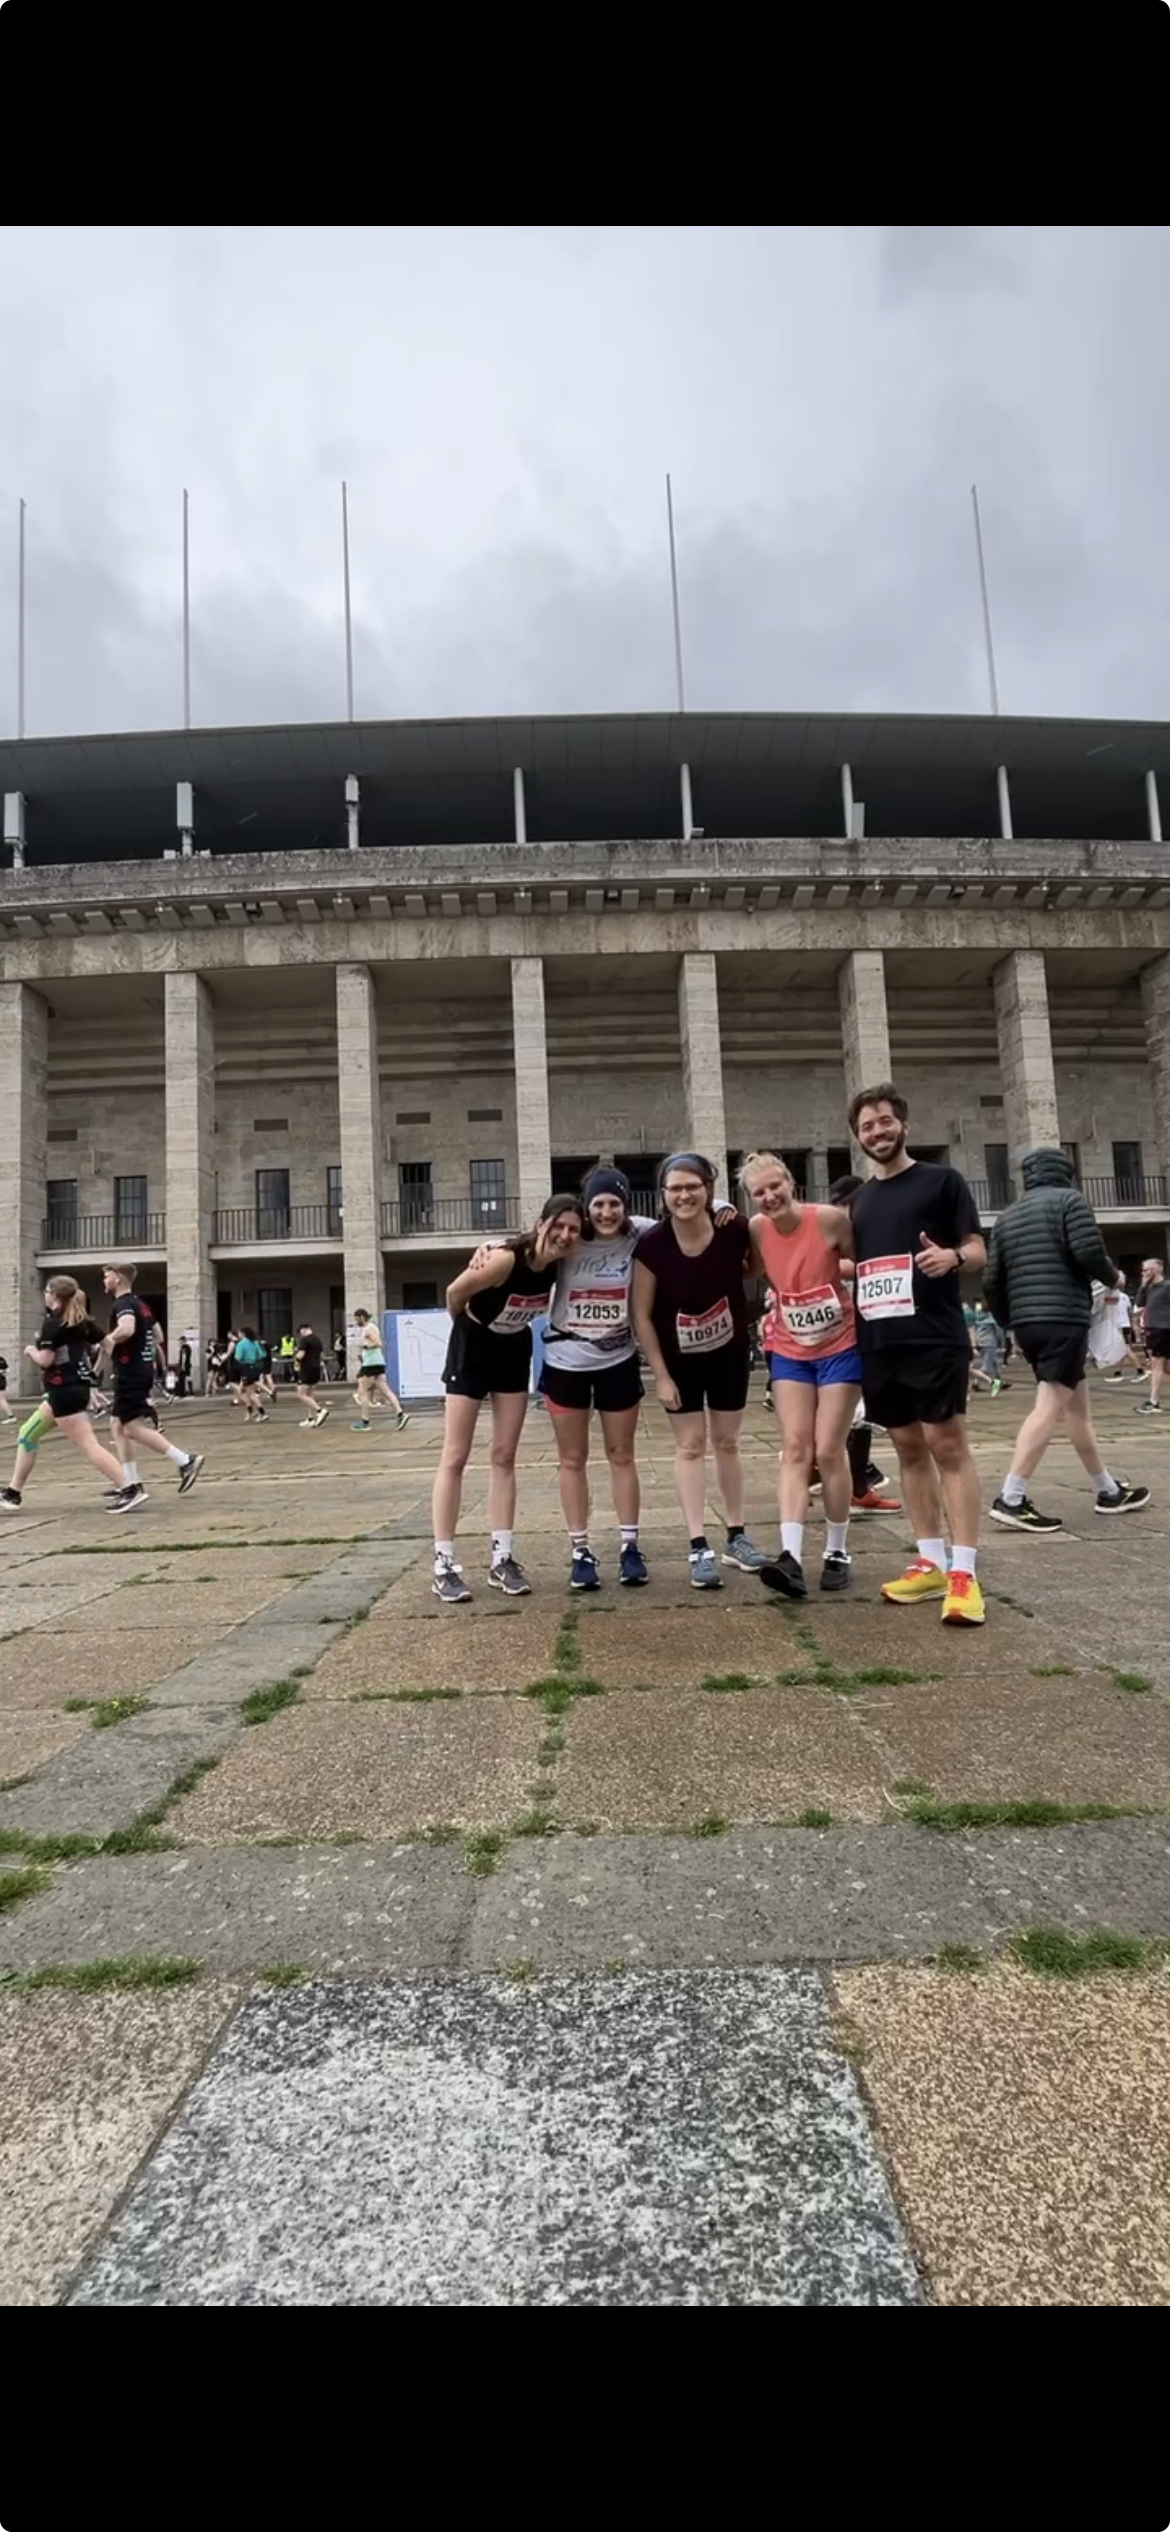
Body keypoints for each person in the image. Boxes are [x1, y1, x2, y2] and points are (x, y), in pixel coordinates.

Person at [847, 1084, 987, 1624]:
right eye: (867, 1127)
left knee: (947, 1445)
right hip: (880, 1340)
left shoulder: (941, 1181)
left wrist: (952, 1257)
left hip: (933, 1334)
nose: (877, 1132)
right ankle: (930, 1561)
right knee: (907, 1448)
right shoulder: (859, 1200)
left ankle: (964, 1573)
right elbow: (856, 1262)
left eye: (885, 1122)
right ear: (858, 1137)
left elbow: (976, 1249)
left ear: (903, 1125)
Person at [983, 1148, 1149, 1532]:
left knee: (1077, 1410)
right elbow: (1088, 1250)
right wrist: (1113, 1278)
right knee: (1050, 1405)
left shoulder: (1008, 1217)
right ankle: (1011, 1496)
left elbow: (992, 1280)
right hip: (1063, 1317)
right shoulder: (1070, 1201)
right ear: (1066, 1175)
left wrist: (1012, 1320)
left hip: (1027, 1322)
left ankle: (1108, 1490)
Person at [431, 1194, 586, 1602]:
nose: (566, 1235)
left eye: (574, 1229)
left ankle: (502, 1557)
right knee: (456, 1454)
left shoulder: (560, 1265)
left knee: (504, 1454)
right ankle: (444, 1561)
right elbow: (454, 1293)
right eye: (560, 1226)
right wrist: (466, 1331)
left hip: (514, 1348)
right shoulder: (503, 1260)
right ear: (542, 1224)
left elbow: (619, 1232)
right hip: (472, 1342)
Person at [631, 1153, 765, 1589]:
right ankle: (697, 1545)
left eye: (693, 1186)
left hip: (728, 1354)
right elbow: (642, 1315)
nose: (684, 1195)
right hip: (678, 1361)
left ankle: (737, 1536)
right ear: (664, 1195)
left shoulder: (735, 1230)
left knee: (726, 1442)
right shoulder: (651, 1246)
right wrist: (661, 1376)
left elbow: (757, 1267)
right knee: (690, 1446)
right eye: (675, 1188)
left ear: (708, 1188)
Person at [741, 1152, 861, 1598]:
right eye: (759, 1193)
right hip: (791, 1348)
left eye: (776, 1186)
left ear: (791, 1183)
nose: (770, 1197)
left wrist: (836, 1273)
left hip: (840, 1346)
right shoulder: (757, 1229)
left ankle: (836, 1549)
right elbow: (751, 1266)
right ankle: (790, 1555)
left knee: (829, 1449)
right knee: (795, 1447)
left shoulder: (829, 1220)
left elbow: (863, 1261)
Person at [536, 1168, 653, 1589]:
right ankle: (580, 1550)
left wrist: (725, 1207)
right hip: (566, 1362)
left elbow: (686, 1214)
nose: (605, 1212)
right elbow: (522, 1244)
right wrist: (486, 1250)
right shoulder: (569, 1235)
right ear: (588, 1207)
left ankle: (630, 1546)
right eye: (598, 1204)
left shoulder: (639, 1234)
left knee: (622, 1454)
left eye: (614, 1204)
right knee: (572, 1459)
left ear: (625, 1207)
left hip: (617, 1361)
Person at [9, 1279, 129, 1504]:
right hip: (70, 1390)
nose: (44, 1295)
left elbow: (46, 1360)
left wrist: (30, 1351)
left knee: (89, 1444)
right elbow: (108, 1344)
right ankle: (13, 1492)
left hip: (64, 1390)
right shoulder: (81, 1321)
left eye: (46, 1291)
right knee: (27, 1434)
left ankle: (129, 1486)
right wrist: (95, 1374)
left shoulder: (53, 1323)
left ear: (54, 1295)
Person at [825, 1171, 901, 1513]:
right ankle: (844, 1479)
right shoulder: (831, 1229)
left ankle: (859, 1483)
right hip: (838, 1332)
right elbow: (828, 1267)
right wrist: (867, 1267)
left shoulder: (867, 1230)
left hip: (869, 1327)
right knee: (848, 1414)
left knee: (864, 1414)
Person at [99, 1267, 205, 1512]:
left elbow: (127, 1329)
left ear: (118, 1277)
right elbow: (157, 1334)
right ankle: (130, 1483)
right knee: (117, 1425)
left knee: (132, 1428)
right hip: (140, 1368)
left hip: (130, 1372)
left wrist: (107, 1341)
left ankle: (184, 1460)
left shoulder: (123, 1304)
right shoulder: (141, 1304)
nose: (104, 1281)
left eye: (106, 1276)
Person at [351, 1309, 409, 1432]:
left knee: (362, 1391)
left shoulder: (369, 1328)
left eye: (356, 1318)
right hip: (377, 1362)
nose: (356, 1321)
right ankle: (400, 1414)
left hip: (371, 1364)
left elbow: (378, 1343)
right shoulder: (371, 1327)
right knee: (385, 1389)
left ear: (362, 1317)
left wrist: (365, 1347)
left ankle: (365, 1421)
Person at [1136, 1258, 1170, 1414]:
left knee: (1156, 1365)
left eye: (1146, 1270)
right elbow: (1140, 1302)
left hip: (1162, 1329)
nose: (1144, 1273)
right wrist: (1143, 1285)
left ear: (1156, 1270)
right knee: (1165, 1366)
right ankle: (1153, 1400)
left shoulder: (1167, 1286)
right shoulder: (1149, 1288)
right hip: (1153, 1327)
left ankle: (1153, 1401)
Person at [294, 1322, 330, 1428]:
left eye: (301, 1332)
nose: (301, 1335)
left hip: (306, 1369)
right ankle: (311, 1418)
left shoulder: (305, 1340)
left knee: (301, 1394)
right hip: (316, 1368)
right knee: (310, 1394)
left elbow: (301, 1355)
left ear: (304, 1329)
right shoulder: (317, 1340)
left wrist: (296, 1360)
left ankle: (320, 1411)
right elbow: (321, 1354)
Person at [231, 1327, 268, 1424]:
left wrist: (243, 1360)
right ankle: (252, 1411)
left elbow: (238, 1357)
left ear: (243, 1334)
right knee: (246, 1391)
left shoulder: (241, 1344)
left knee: (248, 1393)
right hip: (254, 1367)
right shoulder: (255, 1343)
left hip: (245, 1368)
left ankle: (261, 1412)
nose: (238, 1335)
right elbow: (260, 1355)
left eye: (239, 1333)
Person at [0, 1355, 13, 1424]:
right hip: (2, 1381)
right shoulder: (1, 1359)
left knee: (1, 1399)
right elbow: (8, 1370)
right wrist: (3, 1372)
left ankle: (11, 1416)